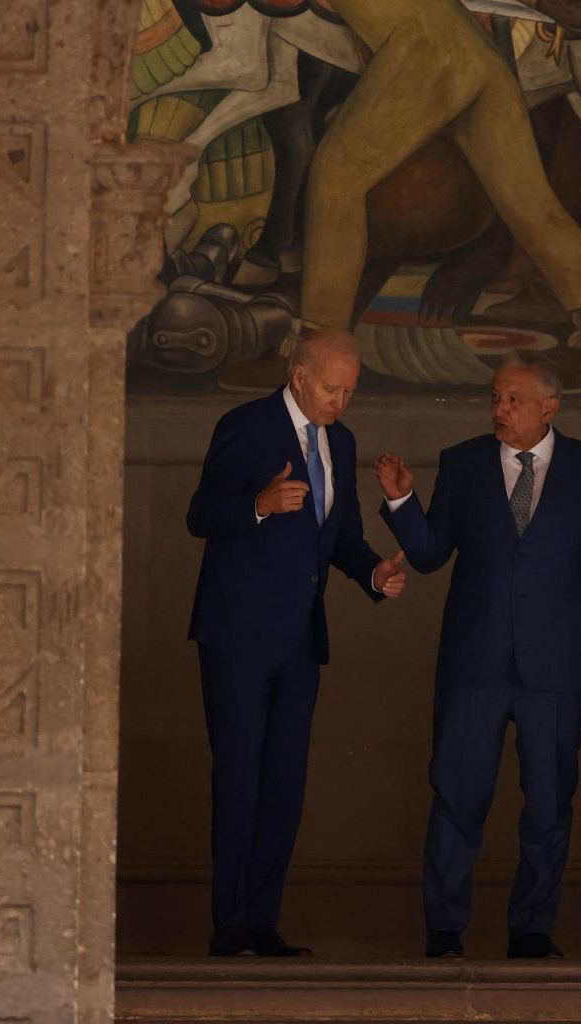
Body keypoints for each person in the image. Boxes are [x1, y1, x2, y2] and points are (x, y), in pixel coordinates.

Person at [373, 351, 581, 958]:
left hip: (555, 669)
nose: (500, 409)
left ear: (550, 407)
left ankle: (532, 930)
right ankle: (444, 930)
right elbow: (431, 555)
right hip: (474, 664)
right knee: (456, 798)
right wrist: (404, 503)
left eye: (513, 400)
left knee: (548, 804)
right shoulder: (462, 463)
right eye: (494, 398)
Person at [186, 329, 408, 956]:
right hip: (235, 636)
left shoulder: (341, 440)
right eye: (332, 388)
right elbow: (200, 515)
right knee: (238, 777)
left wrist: (374, 573)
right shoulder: (246, 425)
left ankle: (261, 921)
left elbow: (341, 537)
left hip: (301, 640)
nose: (341, 401)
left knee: (284, 783)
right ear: (300, 376)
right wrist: (256, 505)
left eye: (350, 391)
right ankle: (228, 926)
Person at [301, 0, 581, 393]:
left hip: (430, 51)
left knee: (336, 178)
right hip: (472, 54)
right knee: (533, 207)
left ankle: (312, 357)